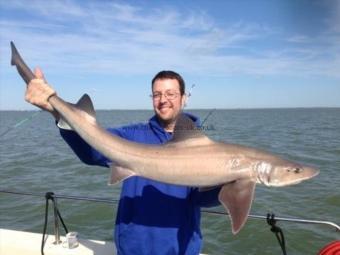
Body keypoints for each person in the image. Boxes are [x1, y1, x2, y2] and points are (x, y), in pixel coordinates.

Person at [25, 68, 221, 255]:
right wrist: (55, 111)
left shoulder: (202, 148)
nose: (163, 100)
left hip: (180, 249)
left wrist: (227, 185)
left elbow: (200, 199)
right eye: (157, 94)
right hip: (132, 249)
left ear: (184, 98)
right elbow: (91, 151)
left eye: (171, 94)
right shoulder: (132, 135)